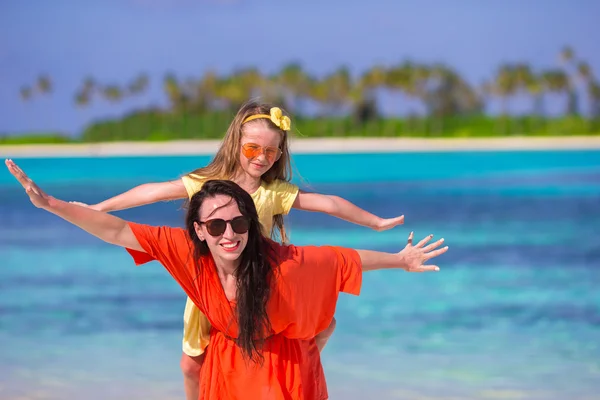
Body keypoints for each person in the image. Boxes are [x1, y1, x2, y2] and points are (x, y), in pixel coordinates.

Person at [6, 159, 447, 400]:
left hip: (287, 373)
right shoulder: (188, 254)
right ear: (199, 230)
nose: (229, 234)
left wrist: (399, 259)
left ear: (252, 223)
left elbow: (342, 260)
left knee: (316, 329)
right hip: (227, 367)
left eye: (238, 224)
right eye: (215, 227)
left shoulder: (283, 261)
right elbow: (117, 229)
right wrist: (53, 205)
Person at [69, 100, 406, 399]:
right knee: (190, 364)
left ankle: (298, 364)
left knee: (324, 324)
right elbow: (151, 193)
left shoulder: (274, 192)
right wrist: (99, 208)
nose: (261, 158)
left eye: (270, 152)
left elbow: (328, 203)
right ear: (236, 144)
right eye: (252, 149)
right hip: (213, 284)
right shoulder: (207, 184)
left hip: (261, 281)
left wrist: (374, 223)